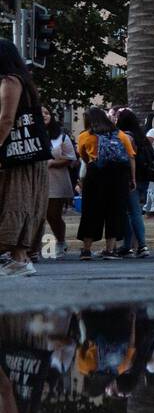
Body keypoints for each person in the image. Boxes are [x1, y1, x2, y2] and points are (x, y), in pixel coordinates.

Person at [0, 40, 51, 276]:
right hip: (28, 154)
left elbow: (6, 119)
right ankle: (18, 259)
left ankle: (19, 260)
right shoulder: (23, 81)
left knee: (15, 201)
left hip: (19, 155)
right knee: (19, 202)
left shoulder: (9, 81)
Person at [76, 107, 136, 260]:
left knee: (91, 212)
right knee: (115, 212)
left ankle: (86, 250)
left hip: (95, 175)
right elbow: (131, 157)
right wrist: (132, 179)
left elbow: (83, 156)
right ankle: (110, 250)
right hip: (118, 177)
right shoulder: (120, 135)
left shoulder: (84, 136)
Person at [112, 107, 154, 257]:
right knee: (133, 212)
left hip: (131, 179)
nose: (115, 120)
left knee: (133, 212)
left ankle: (142, 246)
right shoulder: (140, 136)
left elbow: (129, 159)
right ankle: (128, 246)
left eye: (117, 118)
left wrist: (132, 179)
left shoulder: (125, 137)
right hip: (144, 178)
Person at [44, 104, 76, 259]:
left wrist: (51, 163)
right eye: (40, 113)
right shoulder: (31, 134)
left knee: (53, 215)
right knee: (35, 216)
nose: (43, 115)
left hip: (56, 181)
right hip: (34, 182)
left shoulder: (61, 136)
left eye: (46, 112)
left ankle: (60, 242)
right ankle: (33, 248)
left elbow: (71, 158)